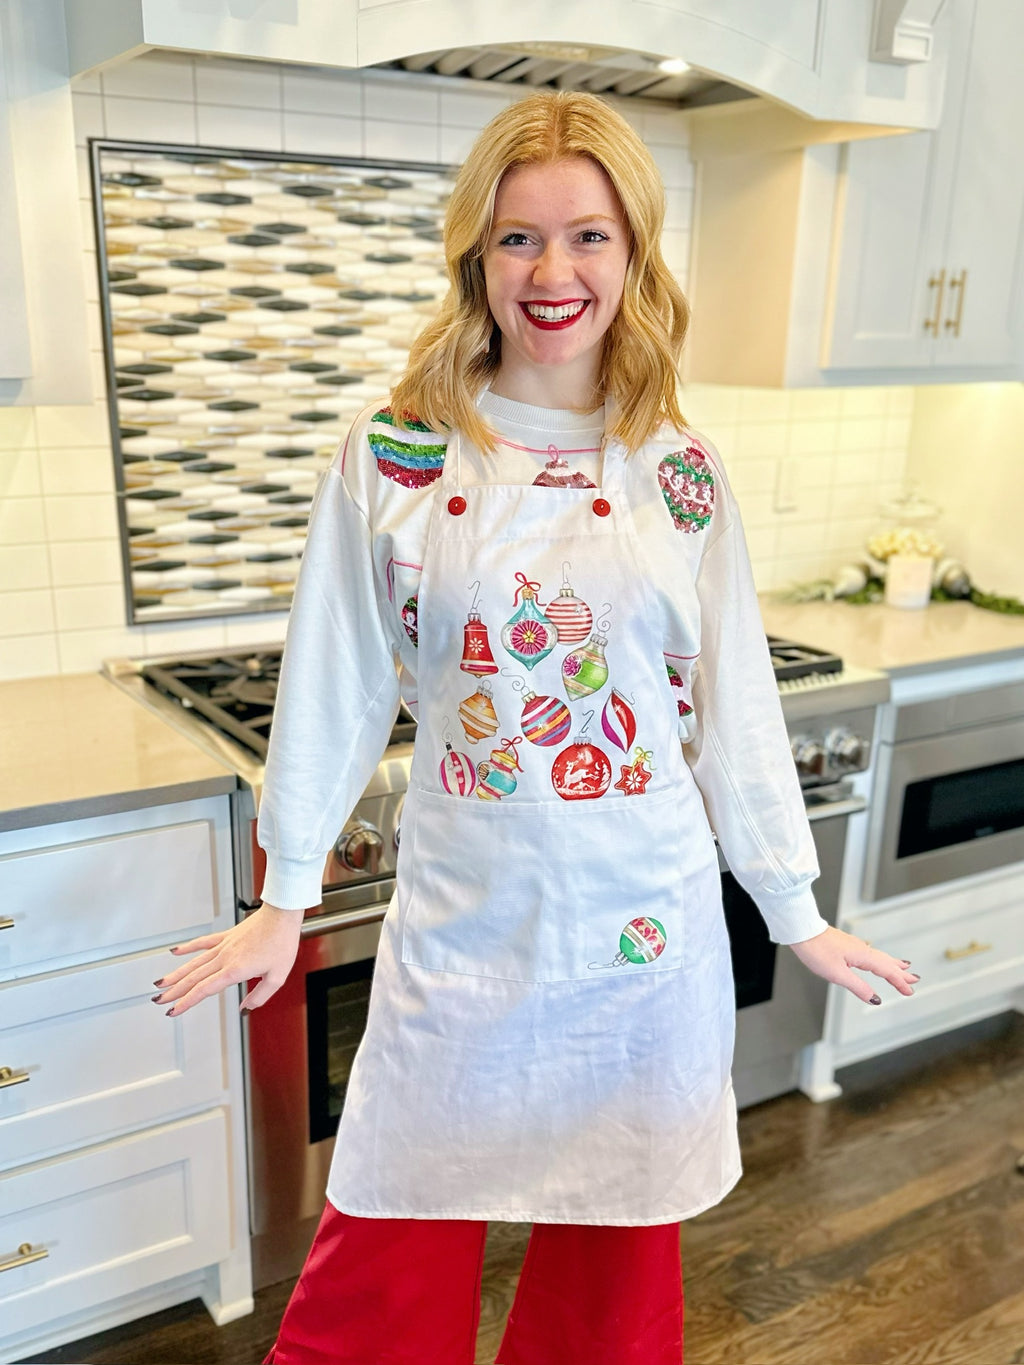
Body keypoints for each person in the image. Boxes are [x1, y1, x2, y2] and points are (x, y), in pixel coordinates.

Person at [153, 90, 919, 1365]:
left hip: (641, 925)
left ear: (634, 257)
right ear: (475, 255)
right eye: (517, 238)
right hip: (469, 913)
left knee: (613, 1289)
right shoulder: (397, 454)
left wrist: (795, 910)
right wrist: (283, 897)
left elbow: (735, 704)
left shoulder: (677, 466)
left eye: (588, 237)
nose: (552, 272)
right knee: (384, 1255)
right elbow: (335, 683)